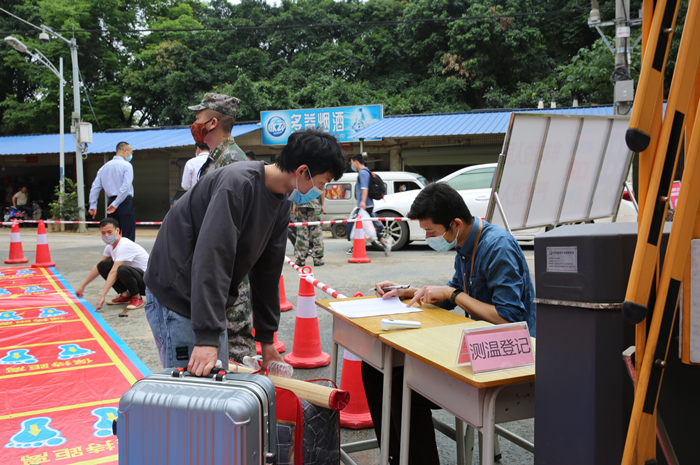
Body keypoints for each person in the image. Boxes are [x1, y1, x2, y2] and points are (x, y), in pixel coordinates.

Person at [143, 128, 346, 375]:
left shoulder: (281, 201)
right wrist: (207, 337)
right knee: (190, 392)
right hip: (177, 292)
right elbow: (212, 258)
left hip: (204, 300)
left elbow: (267, 271)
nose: (321, 191)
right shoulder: (238, 185)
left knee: (215, 385)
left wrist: (267, 339)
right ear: (302, 171)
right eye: (322, 183)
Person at [362, 182, 536, 465]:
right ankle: (396, 457)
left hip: (512, 357)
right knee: (375, 368)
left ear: (455, 223)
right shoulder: (464, 243)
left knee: (401, 381)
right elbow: (452, 294)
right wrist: (407, 290)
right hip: (481, 348)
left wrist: (454, 294)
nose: (428, 237)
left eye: (431, 232)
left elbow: (509, 318)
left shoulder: (496, 247)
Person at [187, 93, 255, 362]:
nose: (195, 122)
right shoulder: (218, 158)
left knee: (237, 348)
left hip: (228, 269)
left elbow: (232, 226)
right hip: (217, 266)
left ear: (213, 122)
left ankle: (249, 400)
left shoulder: (231, 161)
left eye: (198, 117)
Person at [75, 218, 149, 317]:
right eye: (103, 233)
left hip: (147, 283)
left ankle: (137, 298)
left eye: (109, 232)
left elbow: (114, 272)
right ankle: (125, 295)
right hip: (134, 279)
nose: (106, 236)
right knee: (102, 265)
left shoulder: (124, 245)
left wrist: (102, 296)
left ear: (117, 231)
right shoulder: (110, 247)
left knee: (121, 269)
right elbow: (98, 268)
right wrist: (82, 286)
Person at [88, 142, 136, 241]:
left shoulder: (104, 167)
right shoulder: (127, 166)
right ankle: (126, 256)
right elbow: (125, 187)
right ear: (124, 150)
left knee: (112, 234)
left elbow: (95, 187)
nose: (131, 155)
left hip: (110, 203)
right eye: (131, 152)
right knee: (128, 235)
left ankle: (113, 256)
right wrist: (116, 203)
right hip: (124, 202)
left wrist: (92, 205)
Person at [347, 154, 391, 256]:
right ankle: (384, 242)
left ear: (356, 162)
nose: (352, 165)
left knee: (358, 226)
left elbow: (364, 188)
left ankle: (357, 247)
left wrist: (362, 202)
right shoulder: (366, 171)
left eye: (352, 163)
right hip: (367, 204)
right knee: (366, 227)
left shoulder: (362, 173)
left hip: (365, 204)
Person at [292, 195, 325, 267]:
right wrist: (322, 204)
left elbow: (294, 188)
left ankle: (300, 259)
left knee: (301, 233)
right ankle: (317, 259)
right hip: (314, 204)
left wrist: (294, 204)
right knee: (317, 233)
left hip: (300, 204)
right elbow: (322, 188)